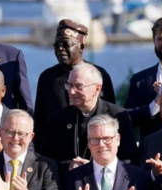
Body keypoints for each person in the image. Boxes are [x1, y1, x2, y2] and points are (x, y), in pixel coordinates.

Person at [33, 19, 115, 150]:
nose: (60, 49)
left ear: (81, 47)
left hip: (92, 151)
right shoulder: (47, 78)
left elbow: (111, 115)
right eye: (57, 45)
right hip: (56, 153)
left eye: (66, 45)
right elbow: (39, 121)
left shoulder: (99, 75)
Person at [41, 64, 139, 173]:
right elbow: (46, 160)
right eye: (69, 85)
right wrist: (69, 165)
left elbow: (130, 160)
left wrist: (98, 166)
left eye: (78, 86)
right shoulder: (57, 119)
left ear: (97, 88)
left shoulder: (118, 115)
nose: (71, 91)